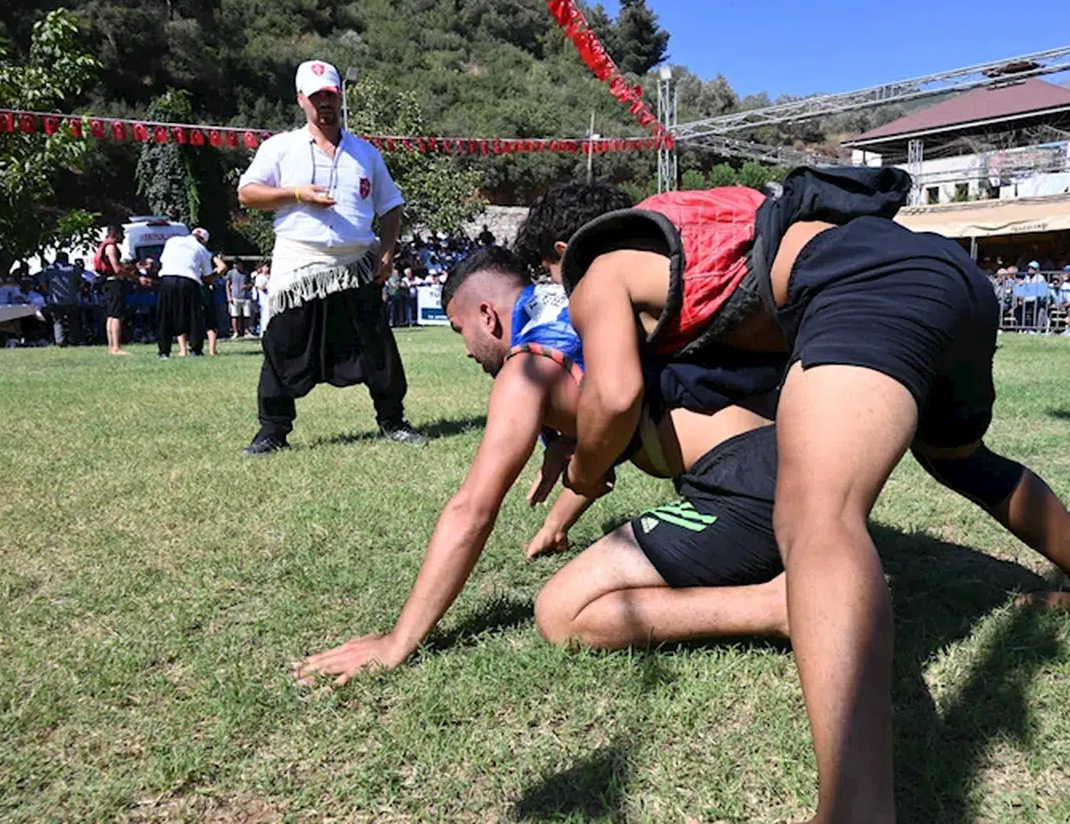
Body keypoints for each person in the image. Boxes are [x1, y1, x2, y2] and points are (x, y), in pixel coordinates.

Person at [536, 169, 1070, 823]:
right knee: (962, 462)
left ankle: (855, 812)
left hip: (861, 287)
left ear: (560, 255)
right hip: (950, 278)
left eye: (547, 275)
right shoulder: (675, 247)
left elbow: (614, 397)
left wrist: (582, 475)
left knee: (816, 517)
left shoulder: (598, 274)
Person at [293, 247, 787, 686]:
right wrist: (556, 524)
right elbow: (601, 443)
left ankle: (779, 606)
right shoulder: (582, 308)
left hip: (745, 491)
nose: (466, 350)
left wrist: (397, 641)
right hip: (785, 459)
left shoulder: (527, 367)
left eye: (460, 330)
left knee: (562, 613)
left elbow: (473, 508)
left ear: (488, 316)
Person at [236, 60, 426, 455]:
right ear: (301, 99)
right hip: (299, 263)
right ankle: (272, 430)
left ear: (340, 98)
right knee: (281, 344)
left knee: (377, 347)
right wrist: (297, 194)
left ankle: (393, 421)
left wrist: (387, 253)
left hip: (357, 263)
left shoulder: (365, 152)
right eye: (317, 96)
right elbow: (247, 193)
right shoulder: (280, 147)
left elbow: (391, 206)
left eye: (331, 96)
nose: (325, 103)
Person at [156, 228, 216, 359]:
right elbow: (207, 276)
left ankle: (164, 351)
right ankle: (195, 349)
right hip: (189, 281)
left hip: (167, 279)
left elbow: (162, 261)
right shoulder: (202, 249)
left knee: (165, 315)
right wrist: (216, 274)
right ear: (204, 241)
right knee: (194, 316)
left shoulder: (172, 241)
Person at [93, 224, 130, 355]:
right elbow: (117, 269)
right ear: (116, 234)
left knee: (111, 315)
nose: (124, 237)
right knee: (117, 315)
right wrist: (131, 275)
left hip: (107, 283)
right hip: (114, 283)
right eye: (122, 234)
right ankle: (116, 347)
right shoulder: (111, 247)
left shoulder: (104, 245)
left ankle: (111, 346)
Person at [37, 251, 84, 346]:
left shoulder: (49, 269)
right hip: (72, 299)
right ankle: (74, 340)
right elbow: (82, 283)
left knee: (58, 322)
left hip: (55, 300)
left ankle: (60, 340)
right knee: (73, 321)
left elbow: (42, 283)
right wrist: (75, 290)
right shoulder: (73, 268)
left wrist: (49, 292)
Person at [226, 259, 254, 338]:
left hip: (246, 297)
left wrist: (247, 286)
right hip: (235, 297)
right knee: (234, 315)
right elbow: (227, 285)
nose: (235, 266)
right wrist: (229, 296)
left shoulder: (246, 273)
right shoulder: (230, 273)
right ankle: (235, 332)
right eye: (234, 264)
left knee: (247, 315)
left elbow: (251, 284)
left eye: (237, 264)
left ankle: (247, 331)